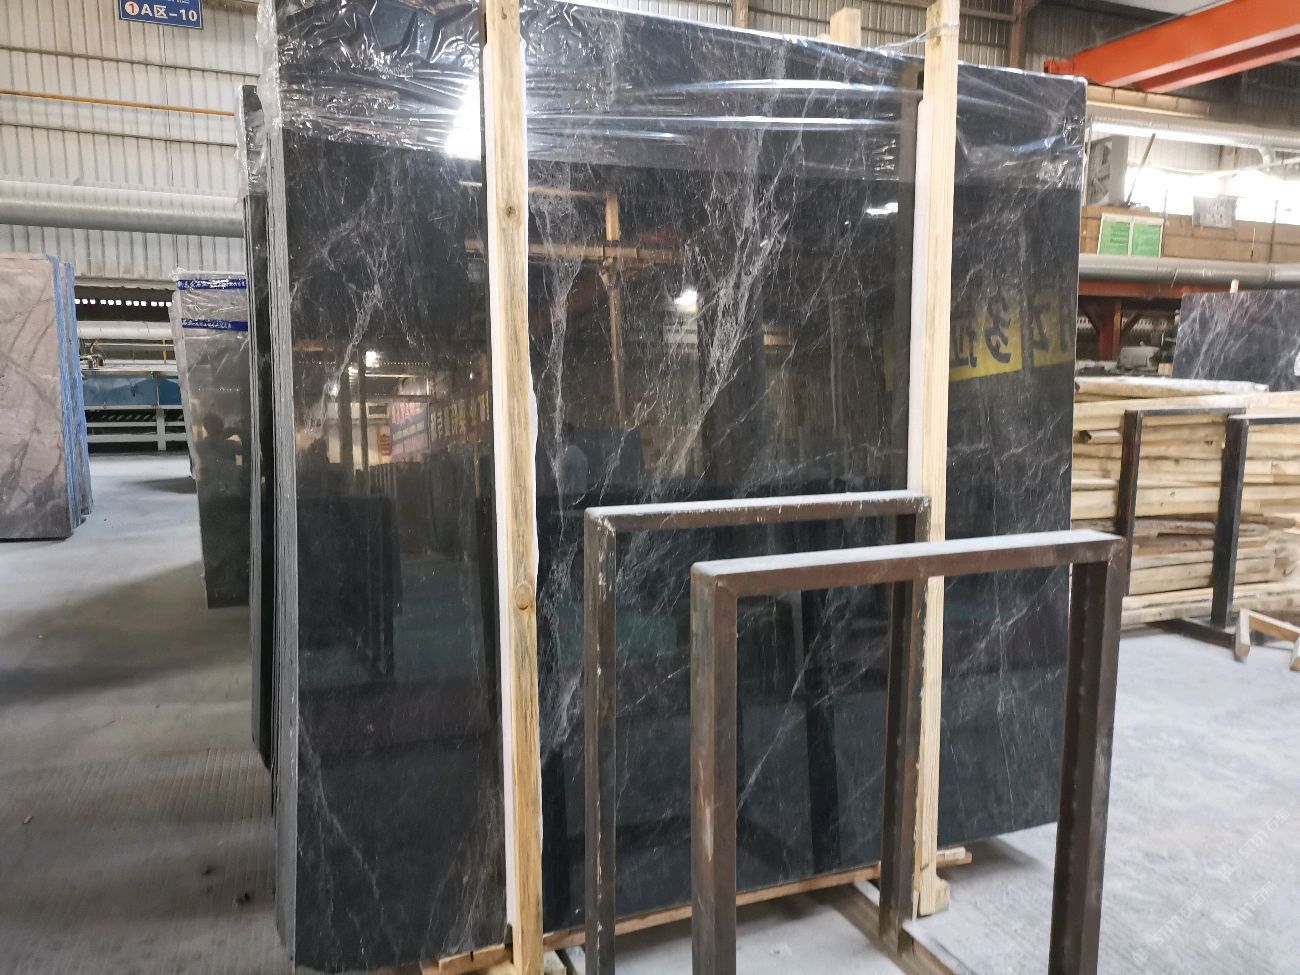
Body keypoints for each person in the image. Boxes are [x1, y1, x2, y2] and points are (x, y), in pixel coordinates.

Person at [558, 421, 590, 499]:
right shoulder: (581, 454)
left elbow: (558, 477)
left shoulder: (567, 454)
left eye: (562, 435)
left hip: (570, 498)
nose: (560, 439)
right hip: (582, 496)